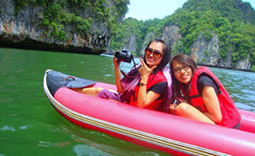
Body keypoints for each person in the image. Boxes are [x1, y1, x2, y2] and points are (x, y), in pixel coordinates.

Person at [75, 38, 172, 110]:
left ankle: (74, 95)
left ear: (163, 57)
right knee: (99, 90)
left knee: (100, 93)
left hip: (135, 113)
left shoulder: (162, 82)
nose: (151, 55)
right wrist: (117, 67)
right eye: (149, 50)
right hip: (126, 102)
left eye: (157, 53)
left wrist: (144, 78)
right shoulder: (139, 68)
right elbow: (121, 90)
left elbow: (141, 105)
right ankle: (72, 91)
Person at [169, 54, 241, 129]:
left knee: (182, 108)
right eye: (177, 70)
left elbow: (216, 117)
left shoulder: (203, 81)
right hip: (214, 125)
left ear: (192, 66)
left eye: (185, 67)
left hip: (227, 128)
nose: (182, 72)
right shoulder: (186, 85)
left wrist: (187, 112)